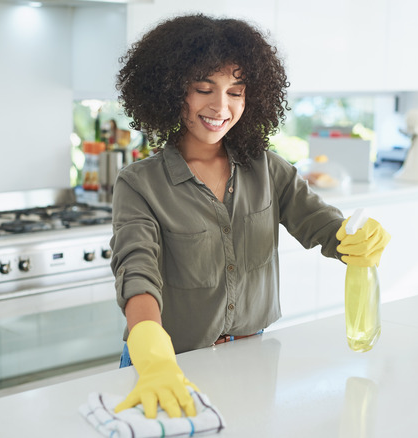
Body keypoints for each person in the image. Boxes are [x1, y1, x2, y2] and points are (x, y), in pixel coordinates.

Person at [109, 14, 390, 419]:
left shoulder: (267, 169)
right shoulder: (140, 184)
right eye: (203, 88)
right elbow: (137, 272)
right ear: (171, 92)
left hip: (251, 357)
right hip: (168, 366)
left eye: (235, 91)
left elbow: (325, 228)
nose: (220, 106)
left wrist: (357, 236)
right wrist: (153, 354)